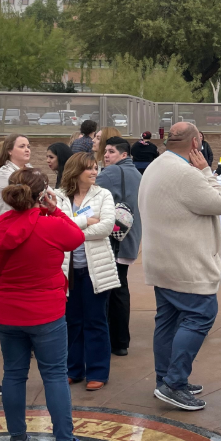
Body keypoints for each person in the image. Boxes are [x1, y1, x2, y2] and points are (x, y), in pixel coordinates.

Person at [0, 168, 93, 441]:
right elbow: (76, 237)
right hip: (46, 311)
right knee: (54, 375)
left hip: (7, 311)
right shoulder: (50, 225)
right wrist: (54, 210)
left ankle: (17, 440)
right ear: (42, 194)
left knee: (14, 375)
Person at [138, 122, 221, 410]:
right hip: (185, 266)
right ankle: (173, 382)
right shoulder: (186, 173)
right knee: (202, 313)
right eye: (200, 140)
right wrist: (205, 171)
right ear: (194, 144)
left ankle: (165, 378)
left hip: (162, 263)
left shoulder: (156, 165)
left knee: (167, 321)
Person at [57, 152, 119, 390]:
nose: (95, 172)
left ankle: (98, 372)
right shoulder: (60, 196)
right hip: (67, 270)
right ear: (75, 170)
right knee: (71, 321)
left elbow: (105, 227)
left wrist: (72, 226)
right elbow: (56, 227)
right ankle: (74, 369)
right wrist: (85, 221)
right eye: (89, 168)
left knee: (95, 321)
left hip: (96, 270)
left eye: (96, 168)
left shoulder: (103, 194)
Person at [97, 136, 143, 356]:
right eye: (105, 151)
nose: (106, 155)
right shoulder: (136, 173)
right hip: (129, 237)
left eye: (111, 151)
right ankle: (121, 341)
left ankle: (114, 340)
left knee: (111, 290)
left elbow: (90, 196)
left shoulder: (111, 173)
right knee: (120, 288)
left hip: (114, 240)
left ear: (124, 155)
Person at [0, 133, 31, 216]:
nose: (27, 150)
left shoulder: (30, 168)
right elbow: (23, 199)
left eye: (28, 147)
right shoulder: (4, 173)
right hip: (9, 223)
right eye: (22, 146)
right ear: (9, 151)